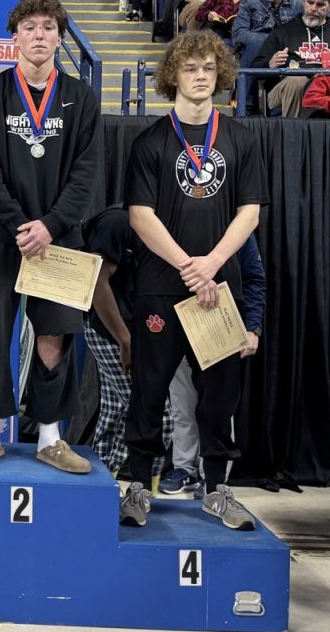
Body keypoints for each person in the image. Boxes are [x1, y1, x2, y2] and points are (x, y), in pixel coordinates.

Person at [121, 30, 268, 529]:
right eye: (190, 68)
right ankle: (137, 486)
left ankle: (218, 490)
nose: (201, 76)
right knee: (149, 390)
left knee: (220, 396)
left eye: (208, 68)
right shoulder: (151, 141)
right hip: (161, 288)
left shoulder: (241, 139)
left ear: (220, 74)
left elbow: (250, 213)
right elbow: (140, 215)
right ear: (173, 76)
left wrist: (212, 264)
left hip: (217, 291)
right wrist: (189, 264)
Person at [0, 0, 100, 474]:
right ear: (15, 37)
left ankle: (49, 437)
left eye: (48, 27)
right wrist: (21, 225)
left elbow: (86, 173)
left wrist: (50, 226)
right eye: (30, 27)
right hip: (1, 236)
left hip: (59, 239)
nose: (39, 35)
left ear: (60, 37)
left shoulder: (81, 97)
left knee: (54, 335)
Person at [158, 233, 265, 494]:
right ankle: (185, 468)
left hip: (220, 322)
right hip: (179, 320)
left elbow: (254, 278)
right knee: (181, 404)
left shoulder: (238, 230)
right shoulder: (172, 224)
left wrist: (252, 327)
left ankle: (214, 474)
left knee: (218, 405)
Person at [82, 207, 172, 480]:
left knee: (115, 410)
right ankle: (142, 484)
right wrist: (125, 339)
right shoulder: (119, 221)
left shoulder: (157, 229)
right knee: (155, 414)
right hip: (113, 331)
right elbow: (97, 281)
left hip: (134, 331)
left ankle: (102, 481)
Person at [253, 0, 330, 116]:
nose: (313, 8)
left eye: (320, 5)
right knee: (297, 81)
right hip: (286, 87)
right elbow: (255, 68)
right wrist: (270, 64)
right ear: (303, 2)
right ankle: (294, 128)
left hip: (325, 86)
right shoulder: (283, 31)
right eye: (310, 2)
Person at [232, 0, 300, 108]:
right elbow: (239, 33)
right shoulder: (249, 4)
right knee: (255, 44)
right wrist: (269, 40)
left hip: (290, 48)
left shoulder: (298, 4)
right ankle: (247, 105)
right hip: (260, 50)